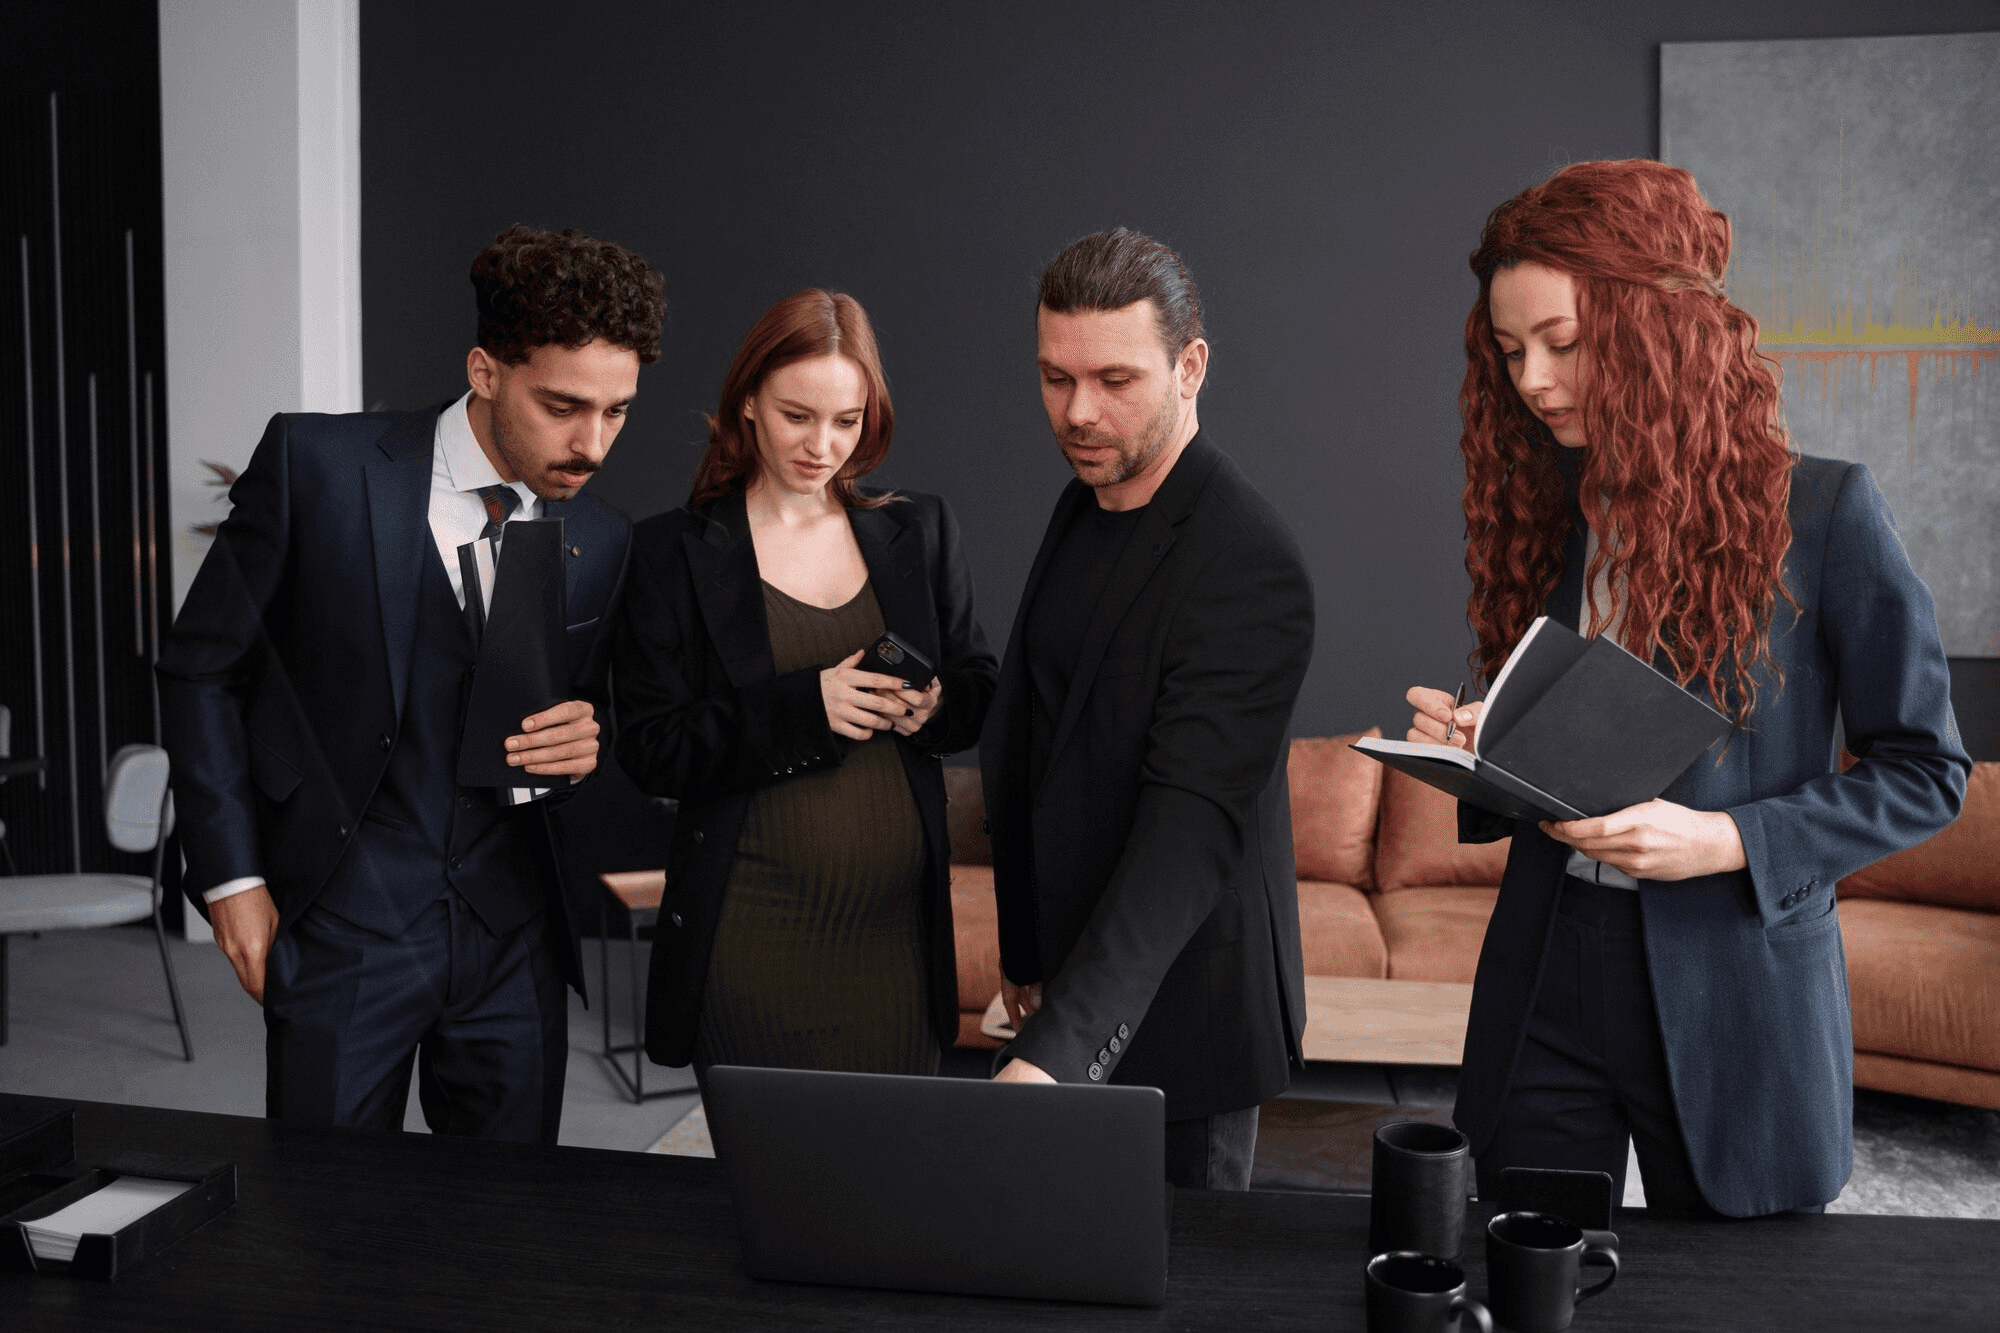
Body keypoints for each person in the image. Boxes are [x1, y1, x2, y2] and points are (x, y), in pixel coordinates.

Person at [1406, 160, 1970, 1217]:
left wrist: (1723, 842)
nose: (1530, 380)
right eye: (1510, 349)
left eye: (1560, 344)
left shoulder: (1827, 515)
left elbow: (1926, 773)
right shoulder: (1551, 511)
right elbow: (1571, 751)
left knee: (1733, 1296)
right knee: (1524, 1261)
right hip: (1545, 967)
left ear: (1653, 330)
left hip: (1735, 978)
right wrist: (1490, 740)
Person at [158, 225, 665, 1142]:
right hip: (350, 921)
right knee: (325, 1231)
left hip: (513, 938)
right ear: (484, 370)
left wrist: (581, 750)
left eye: (618, 411)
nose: (593, 444)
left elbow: (568, 728)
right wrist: (231, 878)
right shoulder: (317, 467)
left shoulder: (604, 538)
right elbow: (201, 666)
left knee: (507, 1235)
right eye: (563, 405)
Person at [981, 228, 1315, 1191]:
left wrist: (1059, 1049)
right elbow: (1038, 733)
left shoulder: (1247, 558)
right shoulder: (1089, 497)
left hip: (1182, 1021)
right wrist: (1028, 950)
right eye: (1055, 378)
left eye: (1114, 380)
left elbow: (1188, 832)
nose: (1078, 413)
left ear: (1191, 366)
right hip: (1065, 986)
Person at [613, 289, 997, 1081]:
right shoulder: (671, 553)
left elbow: (980, 691)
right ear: (748, 400)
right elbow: (650, 750)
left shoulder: (918, 531)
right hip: (754, 944)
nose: (823, 445)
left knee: (895, 1197)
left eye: (846, 422)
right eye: (798, 415)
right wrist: (804, 708)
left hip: (897, 945)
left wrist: (934, 706)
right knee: (768, 1198)